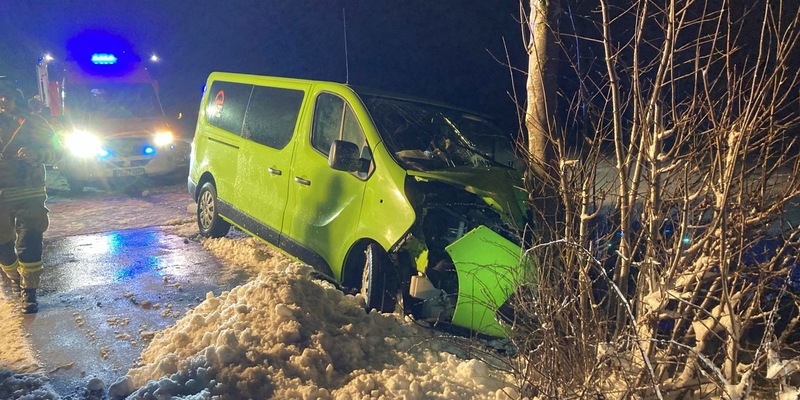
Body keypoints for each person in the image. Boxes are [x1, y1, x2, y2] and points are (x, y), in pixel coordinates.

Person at [0, 77, 62, 313]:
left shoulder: (34, 122)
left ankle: (30, 290)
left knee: (29, 240)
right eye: (0, 95)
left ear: (17, 97)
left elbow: (58, 152)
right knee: (3, 245)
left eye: (8, 95)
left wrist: (36, 154)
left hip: (29, 191)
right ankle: (14, 278)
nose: (4, 100)